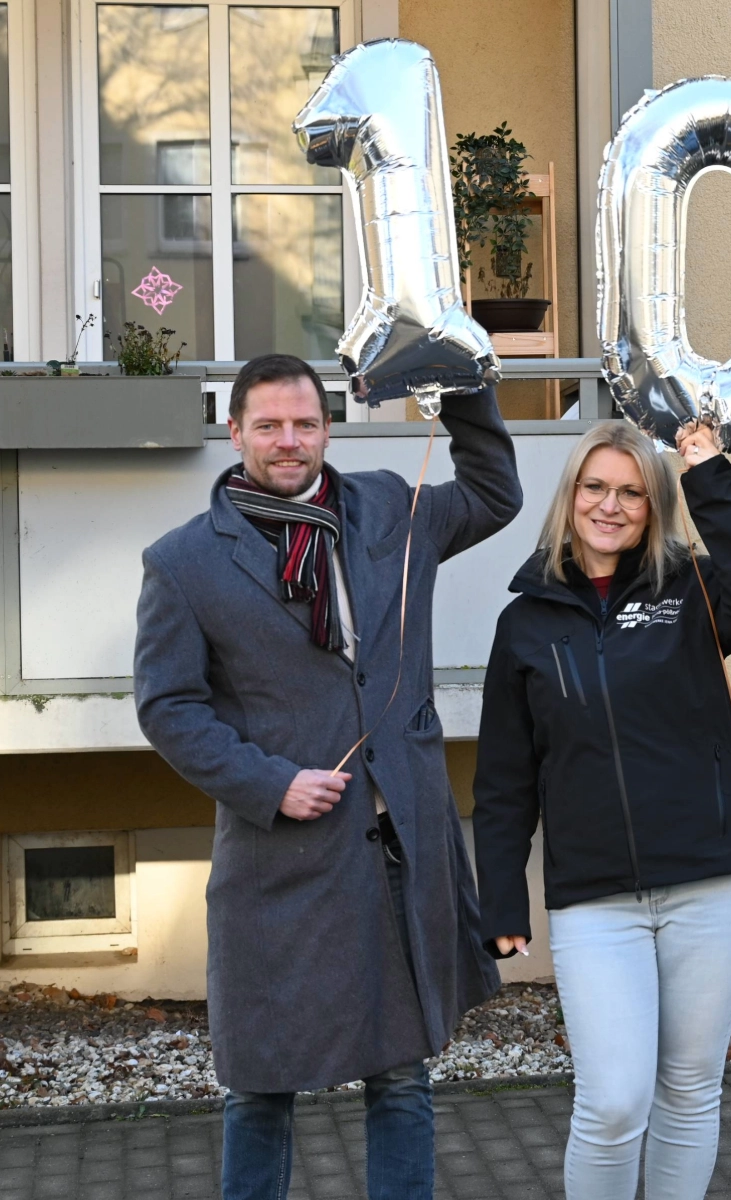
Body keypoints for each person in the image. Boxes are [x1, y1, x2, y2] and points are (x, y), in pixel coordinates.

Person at [133, 355, 522, 1200]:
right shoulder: (184, 563)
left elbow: (495, 494)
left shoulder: (385, 503)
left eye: (305, 424)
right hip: (283, 858)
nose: (288, 441)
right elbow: (169, 707)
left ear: (328, 429)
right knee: (262, 1088)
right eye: (268, 425)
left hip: (398, 845)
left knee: (403, 1076)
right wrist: (270, 783)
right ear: (233, 432)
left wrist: (460, 378)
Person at [472, 419, 731, 1200]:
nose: (610, 506)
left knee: (688, 1089)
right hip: (596, 895)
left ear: (653, 508)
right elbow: (504, 778)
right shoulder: (524, 624)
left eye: (631, 493)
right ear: (571, 497)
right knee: (613, 1100)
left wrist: (708, 474)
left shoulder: (691, 590)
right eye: (595, 488)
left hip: (714, 881)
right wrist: (503, 898)